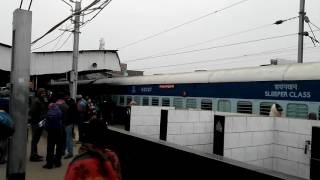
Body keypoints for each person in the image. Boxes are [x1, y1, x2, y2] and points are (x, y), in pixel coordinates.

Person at [43, 102, 64, 169]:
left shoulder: (49, 112)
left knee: (50, 148)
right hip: (59, 131)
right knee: (59, 147)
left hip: (51, 132)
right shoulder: (59, 111)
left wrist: (47, 130)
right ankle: (58, 162)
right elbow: (62, 120)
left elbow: (46, 123)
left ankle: (49, 164)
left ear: (50, 106)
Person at [29, 88, 48, 162]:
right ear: (39, 93)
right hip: (36, 122)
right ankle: (33, 156)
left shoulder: (42, 100)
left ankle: (35, 154)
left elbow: (44, 109)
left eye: (44, 93)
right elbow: (32, 112)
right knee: (34, 139)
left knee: (36, 139)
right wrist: (37, 120)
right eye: (42, 93)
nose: (44, 94)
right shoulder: (36, 101)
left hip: (40, 122)